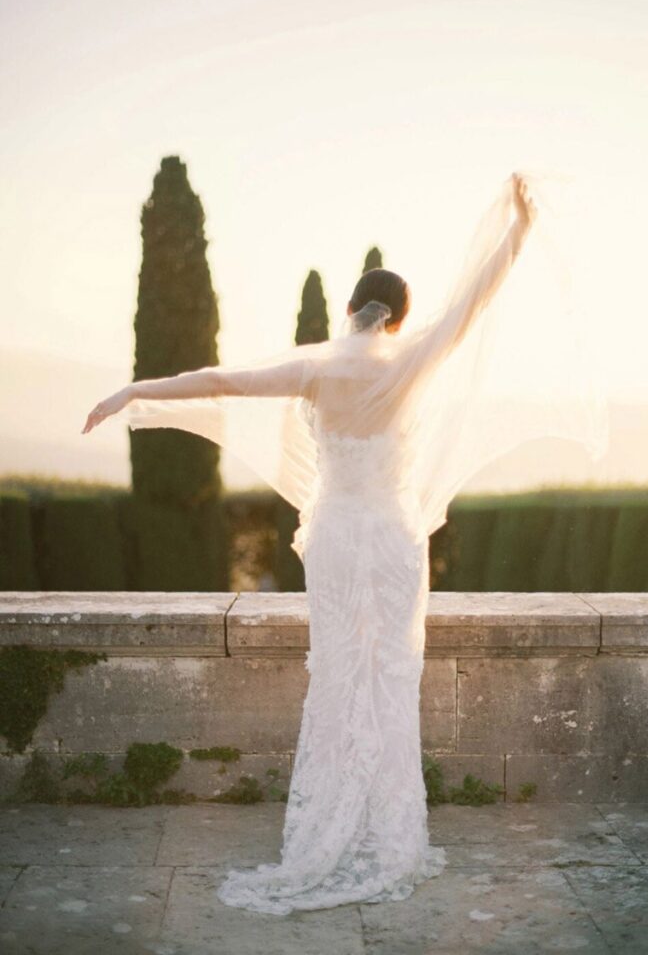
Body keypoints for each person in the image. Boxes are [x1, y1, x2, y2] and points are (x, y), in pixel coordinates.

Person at [83, 172, 607, 914]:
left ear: (355, 308)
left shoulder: (316, 366)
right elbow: (475, 299)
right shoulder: (413, 358)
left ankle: (324, 833)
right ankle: (392, 838)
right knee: (391, 674)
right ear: (398, 316)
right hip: (391, 536)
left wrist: (137, 390)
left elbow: (221, 380)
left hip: (332, 535)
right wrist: (516, 229)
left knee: (335, 674)